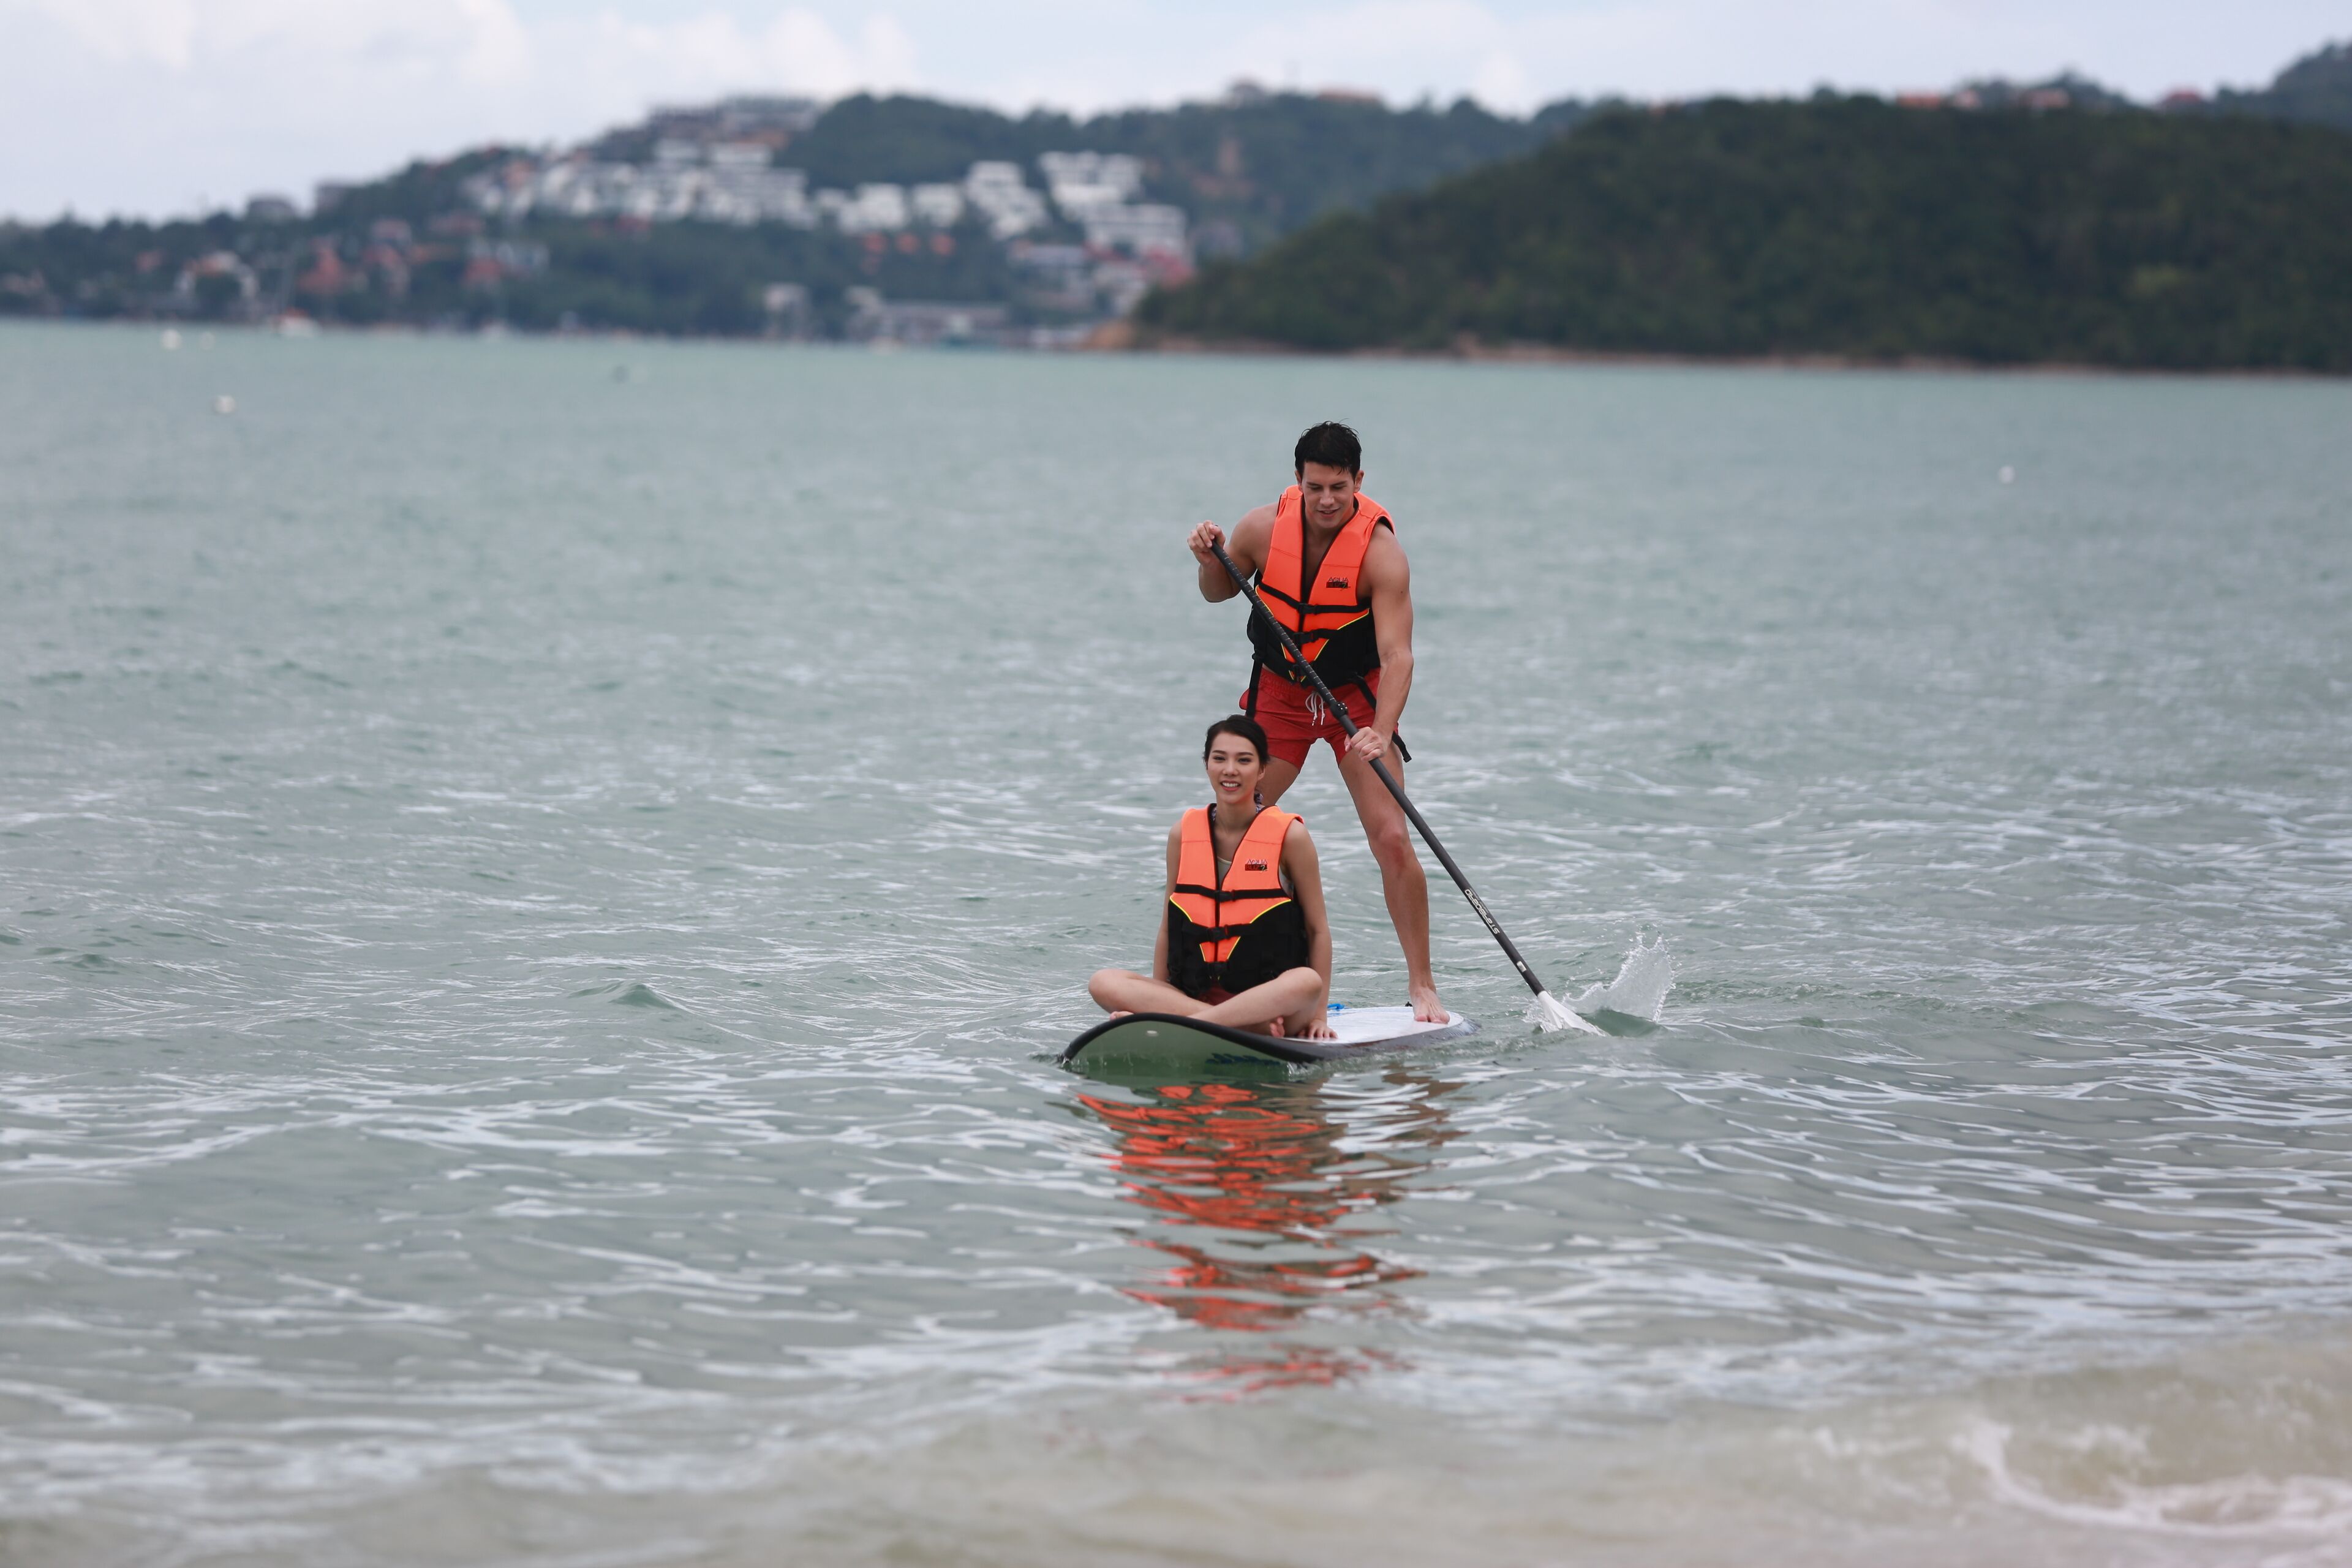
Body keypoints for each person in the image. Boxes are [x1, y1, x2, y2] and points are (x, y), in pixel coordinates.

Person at [1184, 421, 1444, 1023]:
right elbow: (1217, 591)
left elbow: (1398, 655)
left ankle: (1423, 984)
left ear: (1359, 482)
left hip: (1355, 702)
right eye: (1315, 486)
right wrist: (1207, 558)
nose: (1327, 499)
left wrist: (1382, 726)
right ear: (1297, 482)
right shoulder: (1260, 529)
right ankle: (1219, 984)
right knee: (1230, 833)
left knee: (1391, 838)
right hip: (1278, 696)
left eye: (1339, 487)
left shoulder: (1381, 554)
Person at [1088, 715, 1336, 1039]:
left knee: (1306, 981)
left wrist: (1319, 1016)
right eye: (1219, 759)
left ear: (1262, 769)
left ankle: (1193, 1022)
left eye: (1244, 760)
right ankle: (1231, 1025)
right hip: (1197, 1000)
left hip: (1274, 1008)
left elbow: (1318, 930)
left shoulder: (1291, 837)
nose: (1230, 770)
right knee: (1103, 981)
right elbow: (1169, 925)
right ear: (1207, 765)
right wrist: (1161, 996)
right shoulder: (1183, 834)